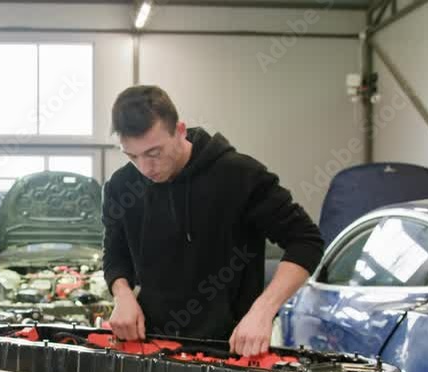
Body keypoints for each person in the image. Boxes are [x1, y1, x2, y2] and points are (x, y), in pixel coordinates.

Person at [102, 86, 324, 357]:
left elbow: (306, 240)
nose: (145, 168)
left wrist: (263, 310)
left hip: (232, 349)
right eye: (132, 156)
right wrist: (122, 295)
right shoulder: (121, 186)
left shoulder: (239, 176)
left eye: (154, 153)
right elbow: (115, 254)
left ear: (180, 131)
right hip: (152, 348)